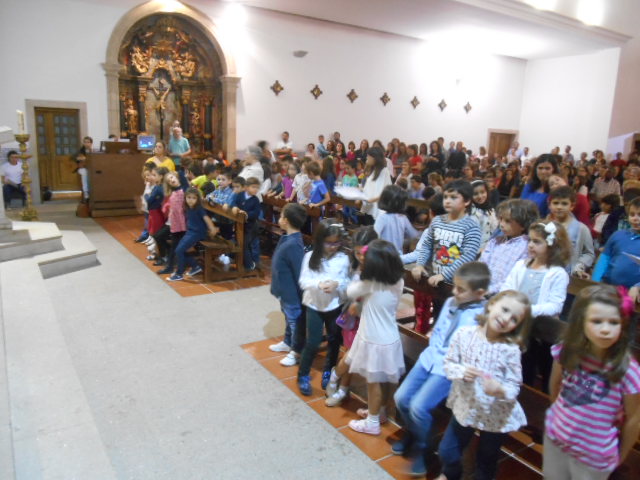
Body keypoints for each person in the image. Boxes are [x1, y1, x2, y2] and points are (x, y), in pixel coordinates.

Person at [393, 262, 490, 476]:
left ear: (480, 293)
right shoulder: (452, 302)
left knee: (419, 407)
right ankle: (417, 433)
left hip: (449, 367)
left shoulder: (482, 317)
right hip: (430, 357)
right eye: (455, 287)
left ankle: (424, 448)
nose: (455, 292)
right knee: (401, 398)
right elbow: (439, 329)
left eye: (461, 290)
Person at [544, 285, 640, 479]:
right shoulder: (566, 350)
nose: (605, 330)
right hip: (556, 439)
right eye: (597, 321)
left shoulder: (628, 370)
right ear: (581, 322)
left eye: (614, 322)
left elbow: (634, 419)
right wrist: (561, 420)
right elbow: (555, 387)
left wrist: (619, 457)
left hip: (594, 457)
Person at [435, 290, 532, 480]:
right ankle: (451, 474)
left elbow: (514, 385)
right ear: (492, 304)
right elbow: (449, 364)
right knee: (447, 450)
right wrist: (462, 371)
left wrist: (500, 390)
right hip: (466, 405)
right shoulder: (464, 334)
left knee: (487, 458)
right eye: (504, 310)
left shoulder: (510, 350)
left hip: (495, 412)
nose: (506, 319)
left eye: (514, 319)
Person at [328, 240, 406, 436]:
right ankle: (379, 413)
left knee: (373, 383)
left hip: (373, 339)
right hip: (389, 336)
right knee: (383, 379)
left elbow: (350, 291)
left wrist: (362, 272)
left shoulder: (370, 283)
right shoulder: (398, 280)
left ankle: (372, 423)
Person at [502, 220, 571, 389]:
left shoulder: (557, 273)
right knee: (516, 366)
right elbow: (507, 287)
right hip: (516, 325)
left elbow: (555, 305)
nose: (531, 245)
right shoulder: (521, 265)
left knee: (536, 367)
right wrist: (508, 303)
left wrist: (526, 310)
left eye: (537, 242)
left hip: (542, 331)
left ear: (552, 245)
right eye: (530, 240)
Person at [324, 227, 378, 406]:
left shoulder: (380, 270)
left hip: (370, 320)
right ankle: (342, 388)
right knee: (350, 354)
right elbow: (346, 288)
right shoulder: (353, 267)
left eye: (365, 253)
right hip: (353, 319)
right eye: (357, 253)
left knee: (357, 356)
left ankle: (336, 378)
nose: (361, 257)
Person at [297, 220, 350, 396]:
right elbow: (303, 281)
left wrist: (337, 284)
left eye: (336, 242)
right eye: (329, 243)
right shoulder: (310, 256)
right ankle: (303, 374)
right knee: (312, 342)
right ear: (320, 240)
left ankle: (329, 371)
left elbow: (348, 281)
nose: (333, 247)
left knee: (334, 340)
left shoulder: (343, 259)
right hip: (314, 304)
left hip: (334, 305)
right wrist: (319, 284)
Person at [411, 179, 481, 288]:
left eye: (453, 197)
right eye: (445, 197)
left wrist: (444, 275)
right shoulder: (437, 220)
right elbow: (427, 245)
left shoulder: (471, 227)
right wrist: (419, 265)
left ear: (467, 201)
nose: (447, 201)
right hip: (434, 278)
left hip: (456, 284)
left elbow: (468, 257)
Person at [268, 203, 309, 364]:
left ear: (286, 220)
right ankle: (288, 342)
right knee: (287, 317)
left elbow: (299, 272)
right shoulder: (288, 238)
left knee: (294, 322)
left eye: (280, 216)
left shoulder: (294, 244)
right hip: (284, 291)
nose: (279, 219)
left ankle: (297, 351)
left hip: (291, 293)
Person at [480, 199, 539, 294]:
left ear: (523, 224)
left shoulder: (527, 247)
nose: (501, 224)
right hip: (482, 289)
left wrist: (490, 290)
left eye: (508, 221)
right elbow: (482, 264)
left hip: (504, 295)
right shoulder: (494, 241)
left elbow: (514, 279)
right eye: (501, 219)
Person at [167, 188, 218, 281]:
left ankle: (179, 274)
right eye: (189, 197)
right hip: (190, 232)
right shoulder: (187, 207)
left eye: (194, 198)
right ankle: (195, 266)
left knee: (179, 250)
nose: (191, 200)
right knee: (179, 250)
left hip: (197, 233)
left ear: (197, 199)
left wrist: (212, 228)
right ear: (185, 198)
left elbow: (206, 218)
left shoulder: (199, 208)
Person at [592, 196, 640, 288]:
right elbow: (604, 260)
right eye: (632, 214)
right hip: (610, 289)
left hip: (635, 294)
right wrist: (595, 283)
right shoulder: (618, 235)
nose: (635, 218)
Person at [547, 186, 594, 277]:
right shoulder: (544, 226)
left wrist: (579, 265)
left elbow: (589, 253)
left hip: (567, 275)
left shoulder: (581, 229)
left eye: (564, 204)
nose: (559, 207)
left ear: (572, 206)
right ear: (549, 205)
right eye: (555, 203)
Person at [373, 185, 419, 254]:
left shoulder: (382, 218)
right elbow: (413, 235)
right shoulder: (403, 218)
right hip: (398, 254)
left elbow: (374, 236)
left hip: (384, 254)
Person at [230, 176, 262, 271]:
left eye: (257, 188)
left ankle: (249, 265)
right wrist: (234, 207)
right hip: (239, 225)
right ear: (246, 187)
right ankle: (239, 261)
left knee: (244, 245)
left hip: (250, 227)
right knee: (238, 243)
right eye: (253, 187)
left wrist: (246, 214)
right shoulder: (240, 195)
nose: (255, 189)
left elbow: (256, 213)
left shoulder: (255, 200)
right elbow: (234, 202)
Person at [359, 146, 392, 223]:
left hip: (377, 209)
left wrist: (371, 200)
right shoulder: (373, 171)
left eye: (368, 156)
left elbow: (386, 193)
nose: (367, 158)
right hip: (369, 208)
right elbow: (370, 189)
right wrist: (359, 191)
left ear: (374, 158)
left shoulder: (384, 171)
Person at [470, 180, 498, 251]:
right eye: (475, 194)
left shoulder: (490, 209)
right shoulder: (469, 212)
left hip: (490, 247)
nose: (480, 196)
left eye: (482, 192)